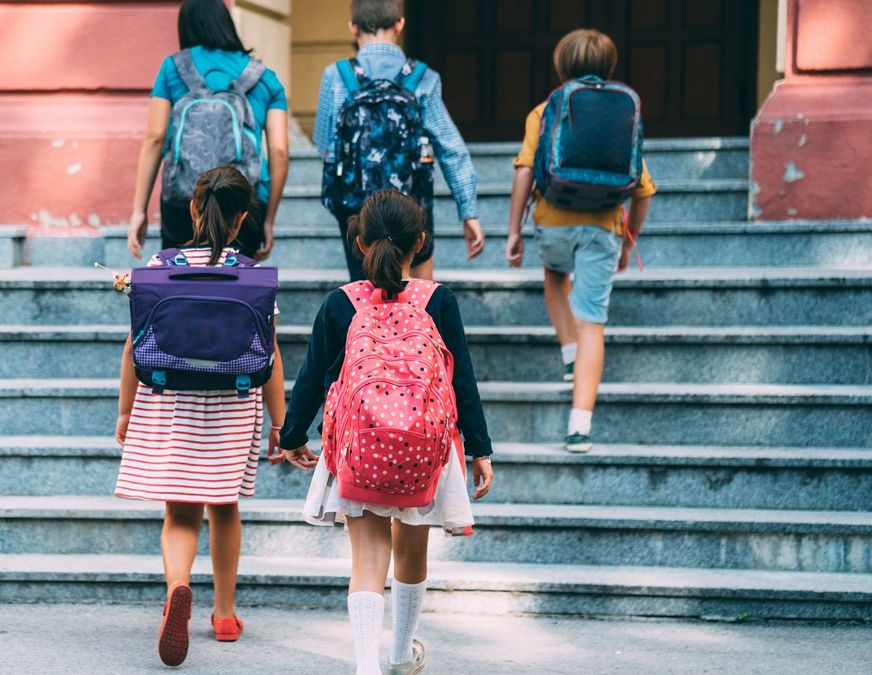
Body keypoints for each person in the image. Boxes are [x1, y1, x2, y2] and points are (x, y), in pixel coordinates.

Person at [277, 190, 494, 675]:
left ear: (358, 242)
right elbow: (462, 378)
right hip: (427, 447)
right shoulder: (438, 299)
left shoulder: (340, 303)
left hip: (358, 445)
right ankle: (400, 654)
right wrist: (479, 448)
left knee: (368, 557)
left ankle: (366, 667)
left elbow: (313, 377)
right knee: (411, 551)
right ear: (420, 241)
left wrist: (292, 435)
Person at [115, 167, 286, 667]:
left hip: (169, 400)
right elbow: (271, 354)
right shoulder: (252, 277)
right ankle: (226, 613)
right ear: (241, 220)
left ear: (192, 209)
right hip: (233, 402)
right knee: (224, 506)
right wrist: (281, 423)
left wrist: (126, 409)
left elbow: (133, 344)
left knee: (180, 511)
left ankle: (177, 588)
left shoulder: (158, 265)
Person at [505, 28, 657, 453]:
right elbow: (643, 189)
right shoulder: (622, 112)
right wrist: (629, 242)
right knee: (593, 320)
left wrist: (514, 230)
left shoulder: (544, 110)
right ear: (610, 68)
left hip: (553, 221)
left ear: (560, 67)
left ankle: (569, 354)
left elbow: (524, 171)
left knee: (555, 272)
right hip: (605, 227)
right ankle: (580, 426)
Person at [314, 0, 485, 282]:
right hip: (412, 209)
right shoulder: (423, 77)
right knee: (420, 296)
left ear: (353, 27)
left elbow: (323, 143)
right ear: (400, 24)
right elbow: (452, 149)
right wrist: (468, 212)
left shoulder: (337, 75)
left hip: (358, 212)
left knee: (364, 296)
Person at [127, 0, 289, 261]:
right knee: (238, 285)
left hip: (183, 200)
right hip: (243, 202)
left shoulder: (173, 68)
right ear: (227, 24)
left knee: (178, 281)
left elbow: (155, 138)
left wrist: (139, 211)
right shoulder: (264, 77)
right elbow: (280, 151)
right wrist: (268, 220)